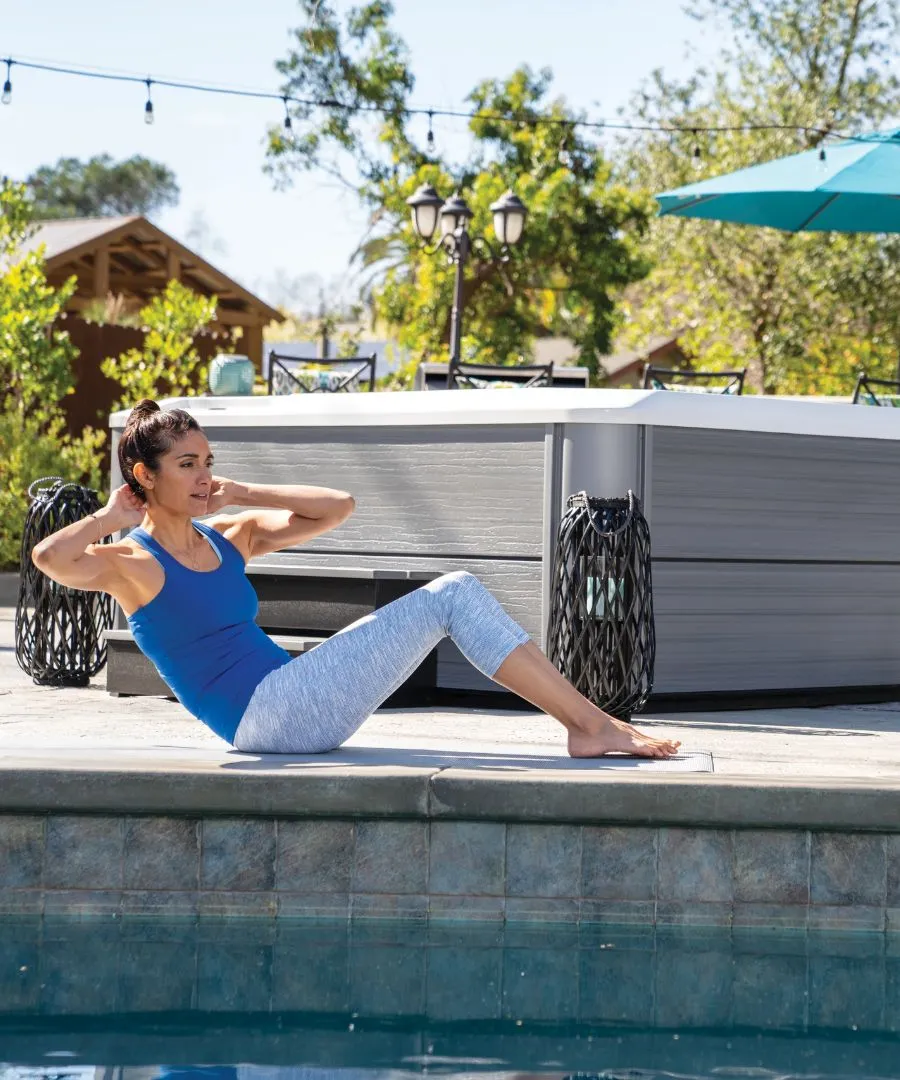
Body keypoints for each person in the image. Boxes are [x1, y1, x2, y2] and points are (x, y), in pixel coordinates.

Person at [32, 399, 681, 760]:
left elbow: (335, 507)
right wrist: (109, 515)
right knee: (451, 593)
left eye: (207, 462)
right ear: (145, 476)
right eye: (186, 465)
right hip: (268, 717)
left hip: (292, 696)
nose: (203, 477)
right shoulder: (136, 563)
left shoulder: (226, 537)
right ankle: (592, 726)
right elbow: (51, 561)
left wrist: (240, 492)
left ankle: (592, 723)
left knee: (451, 596)